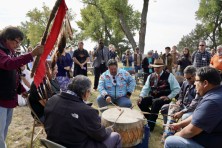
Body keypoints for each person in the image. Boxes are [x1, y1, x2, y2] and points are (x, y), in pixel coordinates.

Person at [44, 75, 121, 148]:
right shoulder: (87, 111)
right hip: (78, 145)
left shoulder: (51, 100)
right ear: (85, 92)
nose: (89, 94)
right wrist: (110, 129)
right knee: (116, 136)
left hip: (53, 144)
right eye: (89, 92)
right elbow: (101, 135)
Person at [0, 26, 43, 148]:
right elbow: (8, 64)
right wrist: (31, 54)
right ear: (7, 38)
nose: (18, 45)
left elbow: (15, 74)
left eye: (20, 42)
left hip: (8, 97)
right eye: (16, 41)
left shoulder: (10, 52)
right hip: (1, 98)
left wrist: (21, 90)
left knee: (4, 130)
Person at [164, 67, 222, 148]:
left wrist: (177, 135)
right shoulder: (215, 94)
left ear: (205, 83)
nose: (194, 83)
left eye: (196, 81)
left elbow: (191, 131)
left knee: (171, 141)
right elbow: (197, 114)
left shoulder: (212, 101)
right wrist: (180, 124)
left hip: (211, 144)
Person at [137, 58, 180, 131]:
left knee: (156, 103)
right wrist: (141, 96)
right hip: (153, 97)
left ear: (162, 67)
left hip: (164, 98)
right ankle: (150, 119)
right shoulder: (150, 76)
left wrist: (169, 97)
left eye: (158, 67)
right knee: (141, 102)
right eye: (155, 67)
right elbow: (146, 88)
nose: (156, 69)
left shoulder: (169, 76)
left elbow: (177, 88)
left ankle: (150, 126)